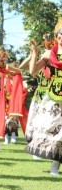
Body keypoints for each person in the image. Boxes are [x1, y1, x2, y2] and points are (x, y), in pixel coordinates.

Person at [26, 20, 62, 175]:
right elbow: (33, 71)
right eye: (61, 33)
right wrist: (34, 53)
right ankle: (54, 163)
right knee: (49, 127)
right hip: (52, 98)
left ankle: (55, 165)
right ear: (56, 36)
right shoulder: (49, 54)